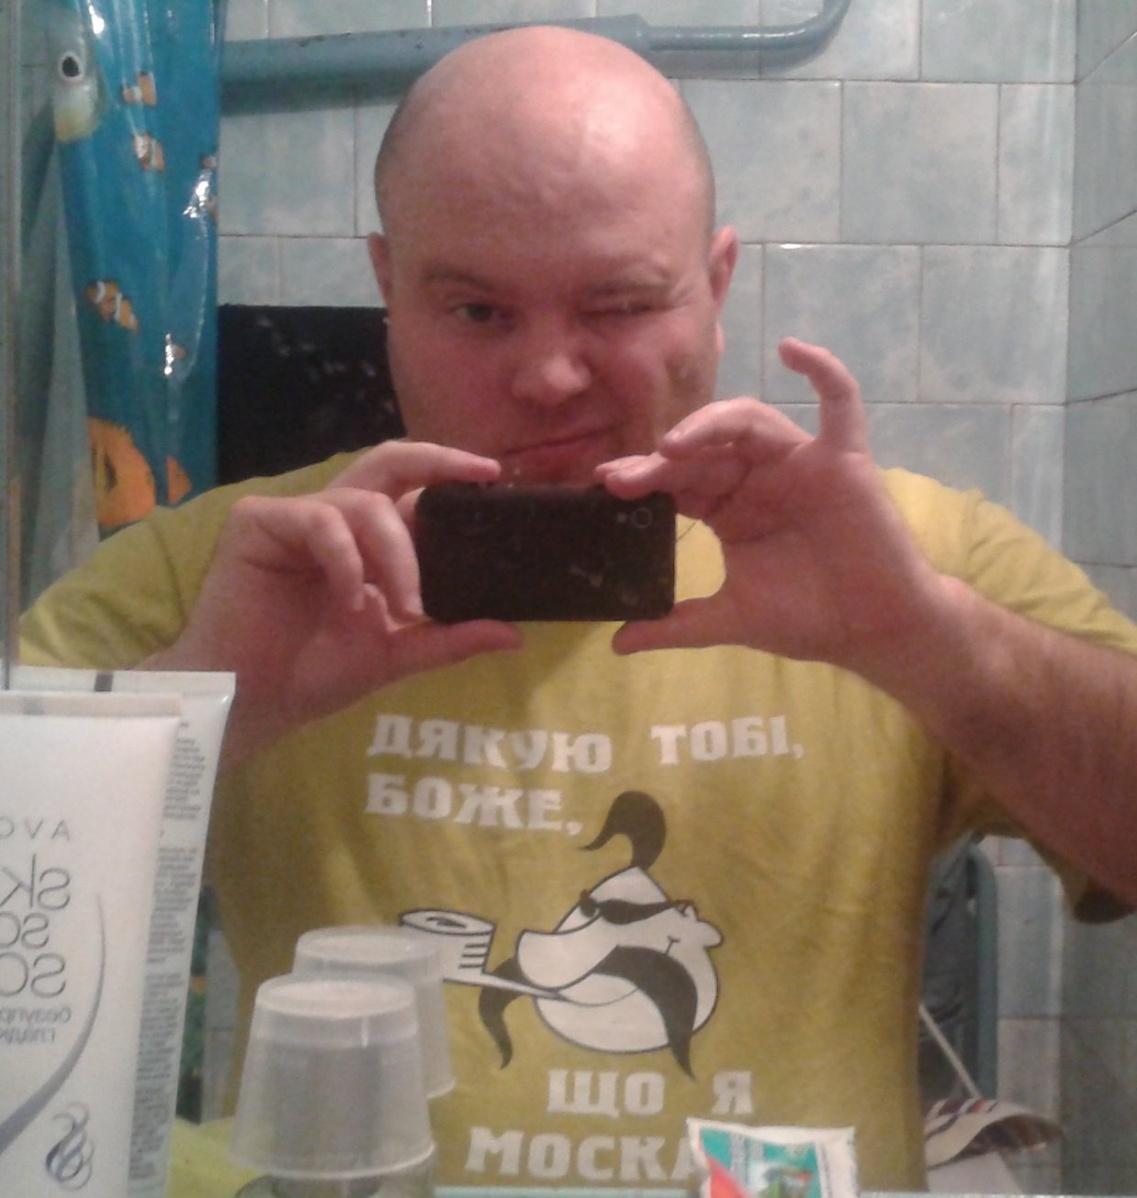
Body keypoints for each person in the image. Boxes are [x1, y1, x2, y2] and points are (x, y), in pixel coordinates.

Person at [20, 24, 1137, 1192]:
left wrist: (933, 645)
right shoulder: (227, 573)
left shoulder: (906, 558)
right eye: (477, 311)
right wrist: (208, 710)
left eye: (620, 304)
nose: (551, 376)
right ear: (388, 286)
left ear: (716, 286)